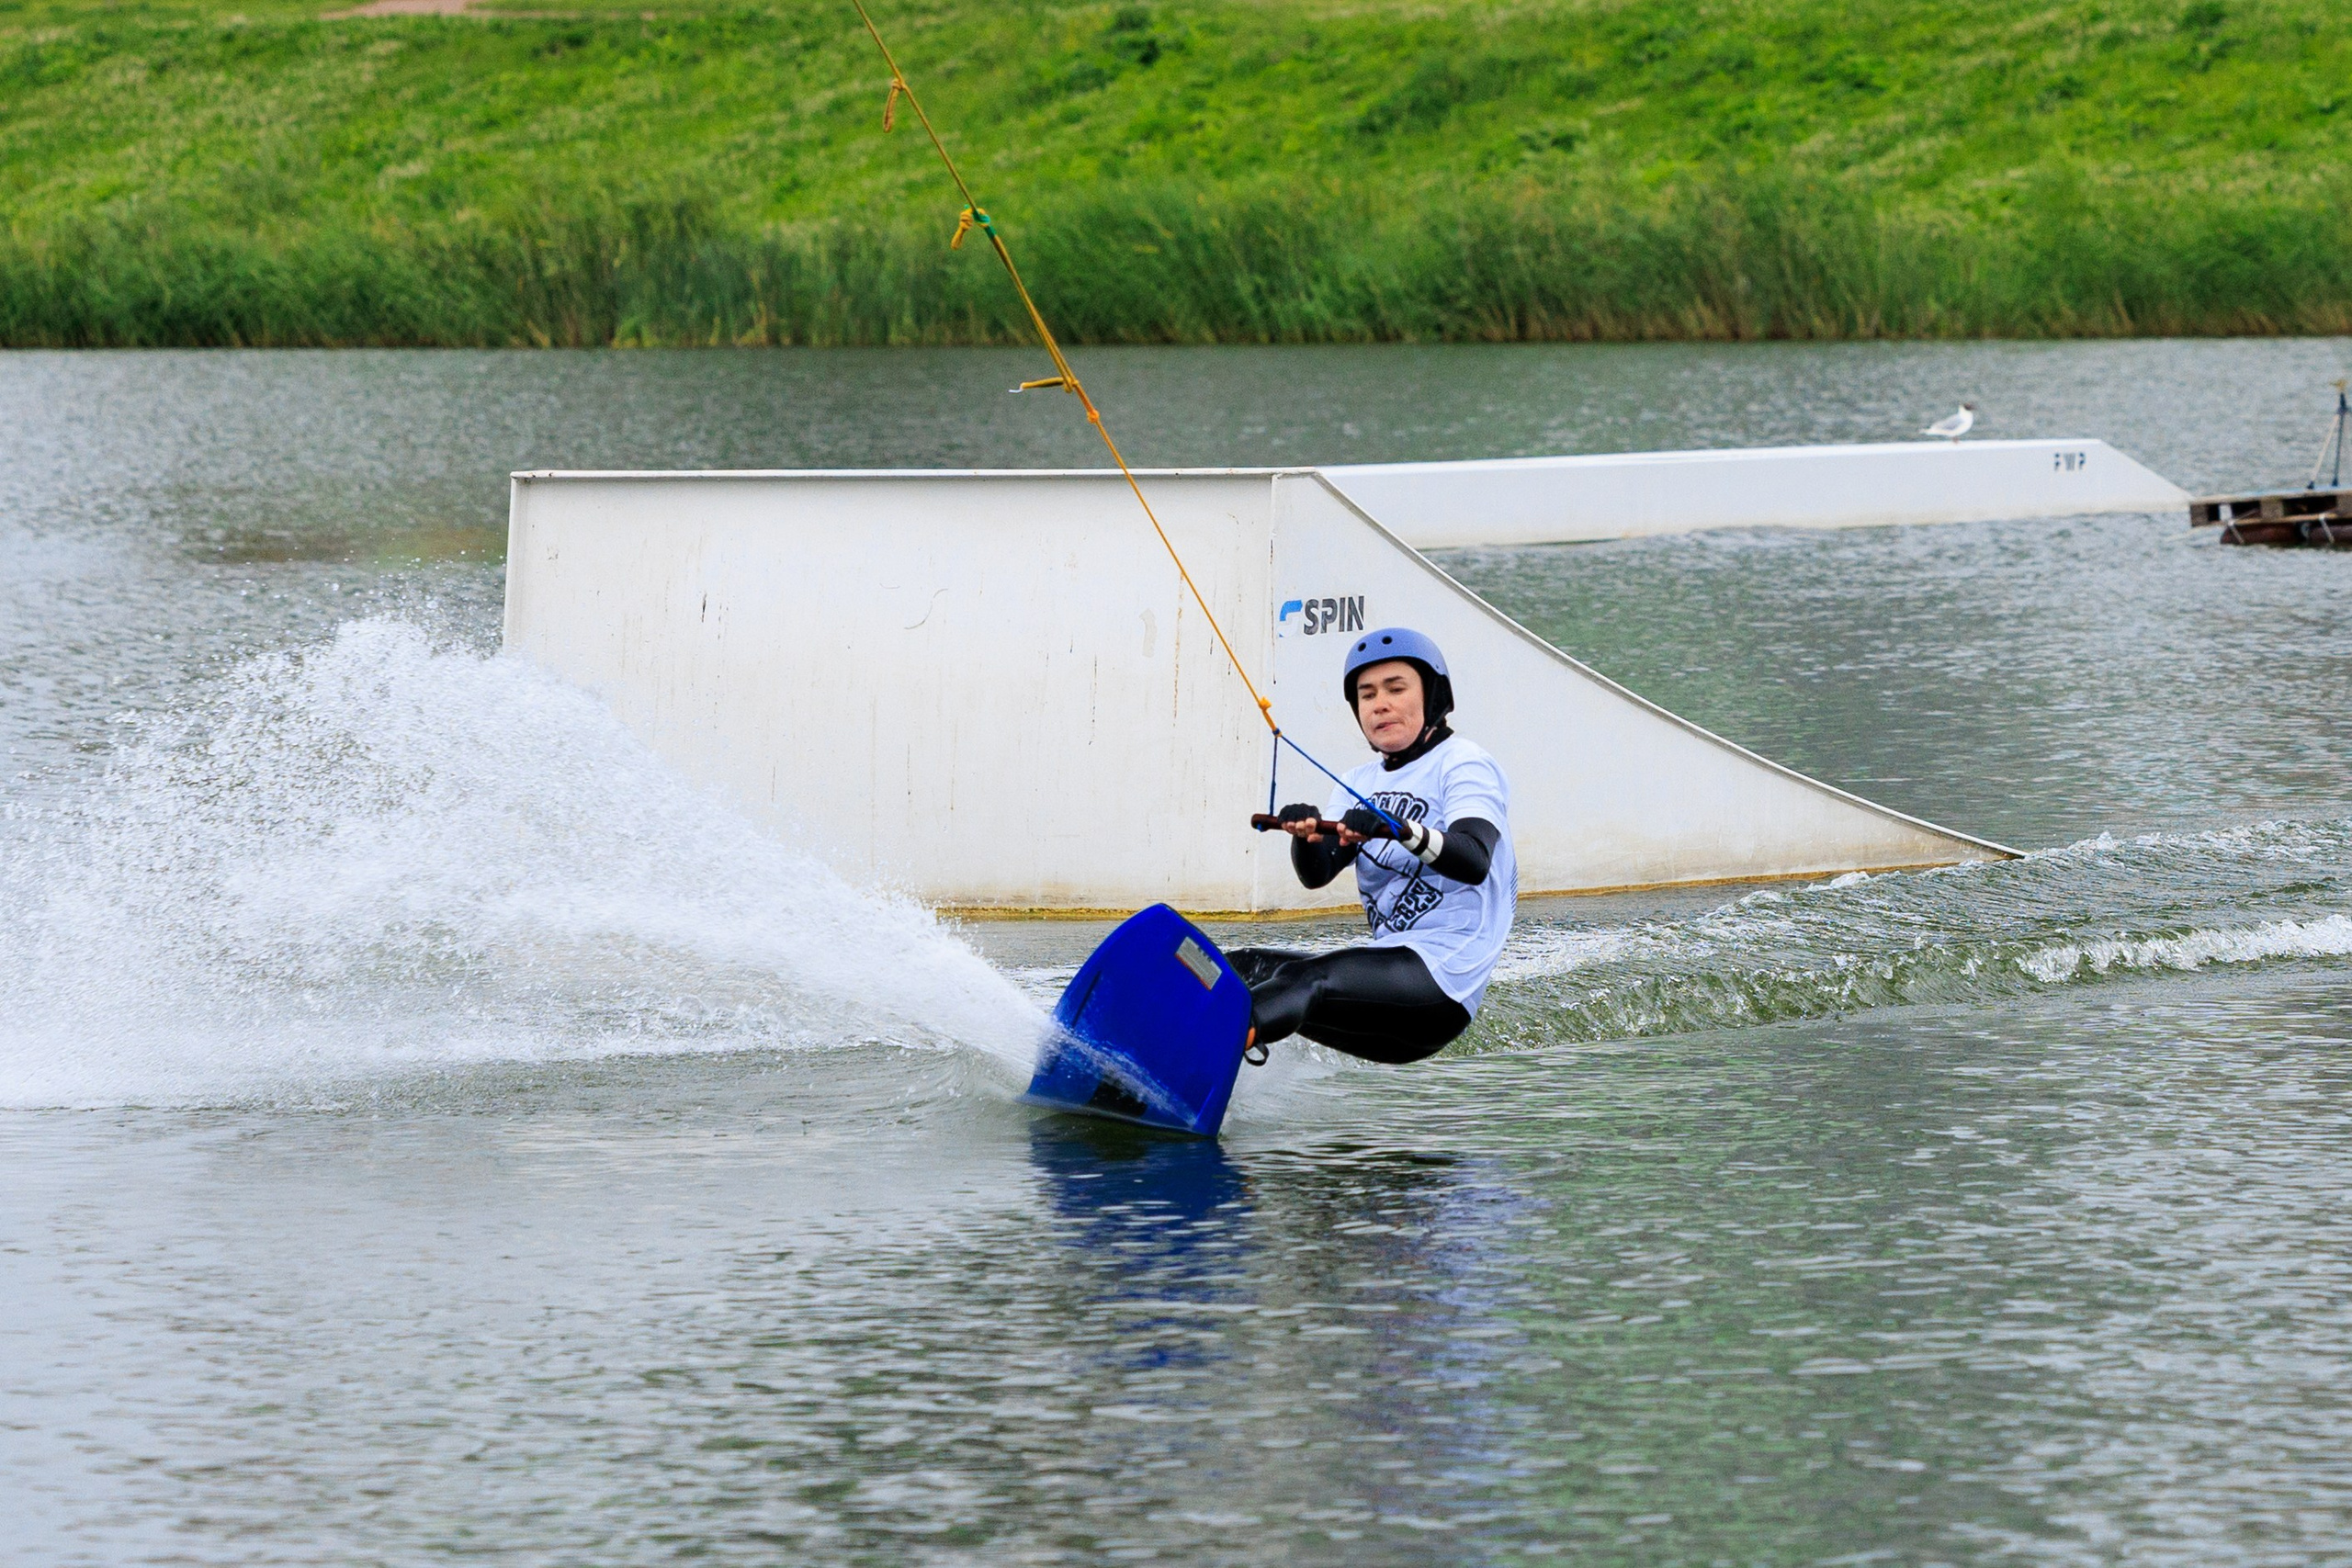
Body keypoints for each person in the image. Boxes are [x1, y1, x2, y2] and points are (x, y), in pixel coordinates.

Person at [1230, 628, 1517, 1065]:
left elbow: (1474, 858)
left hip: (1441, 986)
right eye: (1366, 695)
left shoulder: (1464, 763)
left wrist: (1399, 829)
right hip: (1386, 991)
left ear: (1433, 696)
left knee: (1305, 980)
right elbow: (1317, 873)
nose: (1379, 703)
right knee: (1239, 968)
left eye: (1395, 689)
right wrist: (1306, 839)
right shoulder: (1359, 782)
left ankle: (1187, 1051)